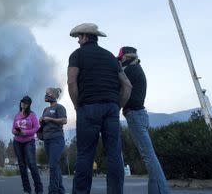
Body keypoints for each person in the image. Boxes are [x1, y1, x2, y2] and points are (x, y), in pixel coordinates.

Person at [67, 23, 132, 194]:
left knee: (85, 155)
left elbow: (71, 82)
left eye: (78, 37)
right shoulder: (111, 57)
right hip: (111, 108)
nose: (77, 41)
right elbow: (127, 85)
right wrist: (118, 106)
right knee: (114, 154)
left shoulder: (77, 55)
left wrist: (77, 105)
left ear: (85, 37)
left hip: (88, 108)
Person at [117, 46, 170, 194]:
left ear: (127, 57)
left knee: (149, 157)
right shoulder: (136, 69)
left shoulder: (130, 71)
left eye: (120, 58)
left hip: (135, 115)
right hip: (139, 115)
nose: (119, 61)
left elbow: (118, 83)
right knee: (149, 156)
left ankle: (164, 191)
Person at [12, 95, 43, 194]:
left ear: (29, 104)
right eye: (22, 102)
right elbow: (12, 129)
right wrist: (16, 132)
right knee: (22, 165)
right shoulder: (17, 115)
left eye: (25, 102)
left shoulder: (32, 115)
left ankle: (39, 189)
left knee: (32, 164)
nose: (23, 104)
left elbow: (37, 128)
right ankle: (27, 189)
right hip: (17, 142)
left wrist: (26, 132)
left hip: (29, 142)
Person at [40, 88, 67, 194]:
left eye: (48, 94)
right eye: (45, 93)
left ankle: (53, 191)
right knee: (54, 165)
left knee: (52, 165)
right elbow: (44, 124)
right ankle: (61, 190)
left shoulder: (60, 107)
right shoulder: (45, 110)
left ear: (54, 95)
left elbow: (64, 120)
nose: (46, 95)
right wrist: (41, 121)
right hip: (47, 139)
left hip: (56, 139)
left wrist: (50, 119)